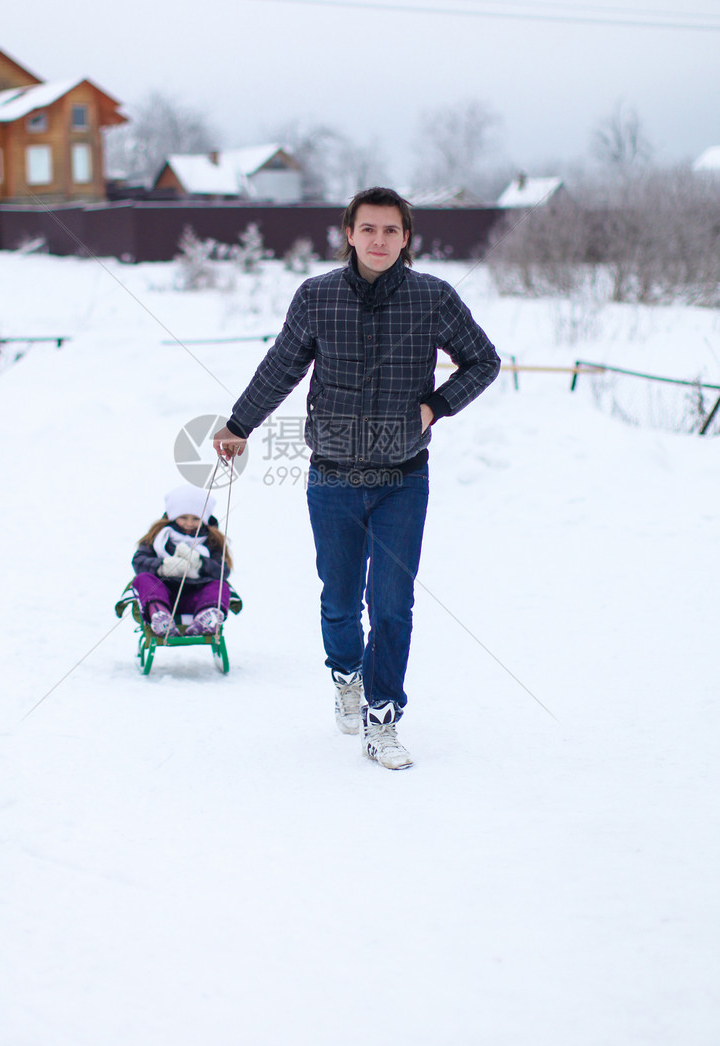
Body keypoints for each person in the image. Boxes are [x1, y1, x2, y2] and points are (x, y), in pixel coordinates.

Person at [213, 186, 500, 770]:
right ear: (349, 233)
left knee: (392, 605)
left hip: (403, 478)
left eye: (390, 230)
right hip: (333, 478)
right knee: (341, 602)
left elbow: (484, 360)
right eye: (367, 229)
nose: (379, 240)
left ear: (406, 237)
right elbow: (282, 365)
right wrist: (240, 422)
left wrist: (434, 408)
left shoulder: (434, 298)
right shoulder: (317, 297)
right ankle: (347, 676)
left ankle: (384, 717)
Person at [131, 485, 233, 639]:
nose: (189, 524)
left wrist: (200, 563)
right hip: (165, 596)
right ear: (173, 516)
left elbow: (223, 571)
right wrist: (163, 567)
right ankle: (160, 617)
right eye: (183, 517)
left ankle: (207, 618)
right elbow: (139, 561)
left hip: (197, 598)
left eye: (196, 519)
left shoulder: (212, 540)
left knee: (220, 586)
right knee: (143, 579)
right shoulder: (158, 537)